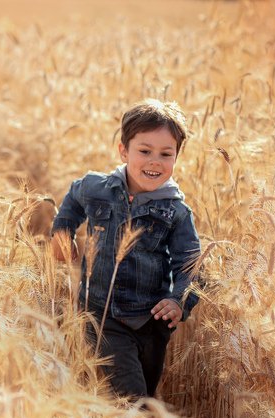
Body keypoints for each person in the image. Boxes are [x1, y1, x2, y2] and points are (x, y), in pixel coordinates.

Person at [50, 99, 201, 400]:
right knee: (132, 401)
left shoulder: (176, 212)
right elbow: (74, 197)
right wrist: (63, 232)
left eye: (165, 154)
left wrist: (178, 301)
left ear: (176, 157)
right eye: (145, 151)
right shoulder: (98, 189)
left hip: (152, 323)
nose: (155, 161)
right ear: (123, 151)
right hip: (102, 315)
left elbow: (191, 264)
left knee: (141, 396)